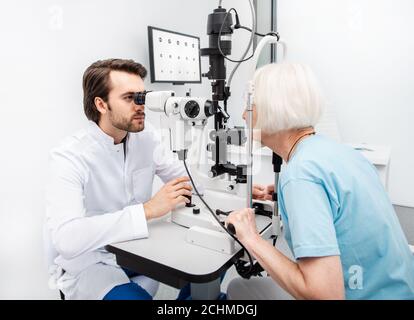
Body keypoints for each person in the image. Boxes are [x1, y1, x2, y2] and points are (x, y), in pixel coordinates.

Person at [226, 62, 414, 300]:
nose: (244, 115)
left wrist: (250, 237)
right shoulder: (341, 152)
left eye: (249, 106)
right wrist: (283, 195)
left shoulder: (300, 175)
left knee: (238, 289)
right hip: (400, 289)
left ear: (273, 108)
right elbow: (344, 206)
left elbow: (324, 295)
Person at [45, 59, 193, 300]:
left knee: (207, 267)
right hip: (92, 261)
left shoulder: (147, 138)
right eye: (129, 98)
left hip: (137, 249)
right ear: (101, 104)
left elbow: (184, 180)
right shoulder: (69, 156)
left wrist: (225, 192)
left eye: (143, 96)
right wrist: (147, 210)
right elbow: (67, 239)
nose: (141, 105)